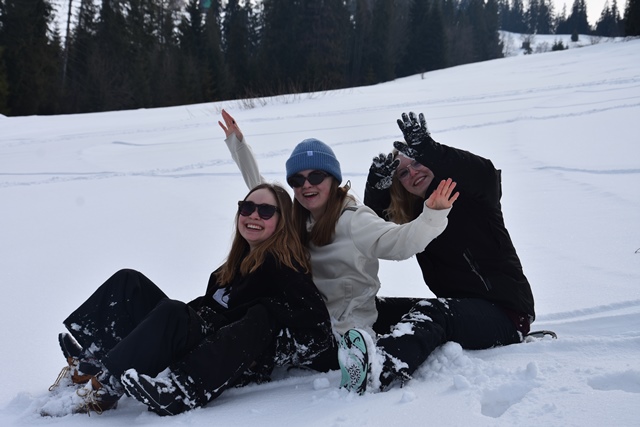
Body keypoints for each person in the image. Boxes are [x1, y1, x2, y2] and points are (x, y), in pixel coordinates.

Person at [218, 110, 458, 394]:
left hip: (345, 334)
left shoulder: (354, 220)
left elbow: (400, 242)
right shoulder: (297, 219)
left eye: (316, 176)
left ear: (333, 179)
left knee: (426, 312)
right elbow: (261, 190)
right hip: (309, 327)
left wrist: (432, 215)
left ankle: (368, 365)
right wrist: (238, 145)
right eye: (297, 180)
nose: (307, 185)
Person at [44, 183, 336, 416]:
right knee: (128, 282)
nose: (254, 215)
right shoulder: (229, 269)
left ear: (282, 221)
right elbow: (209, 307)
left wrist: (266, 326)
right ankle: (95, 359)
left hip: (219, 359)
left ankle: (108, 388)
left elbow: (317, 326)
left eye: (266, 211)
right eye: (247, 207)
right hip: (201, 338)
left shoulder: (284, 269)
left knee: (175, 312)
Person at [352, 111, 536, 393]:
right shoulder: (418, 216)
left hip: (507, 313)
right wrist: (377, 189)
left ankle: (379, 370)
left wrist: (431, 150)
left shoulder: (471, 193)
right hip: (459, 309)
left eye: (417, 162)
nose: (413, 173)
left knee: (431, 312)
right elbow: (375, 229)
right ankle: (343, 352)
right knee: (378, 308)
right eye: (403, 172)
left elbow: (485, 173)